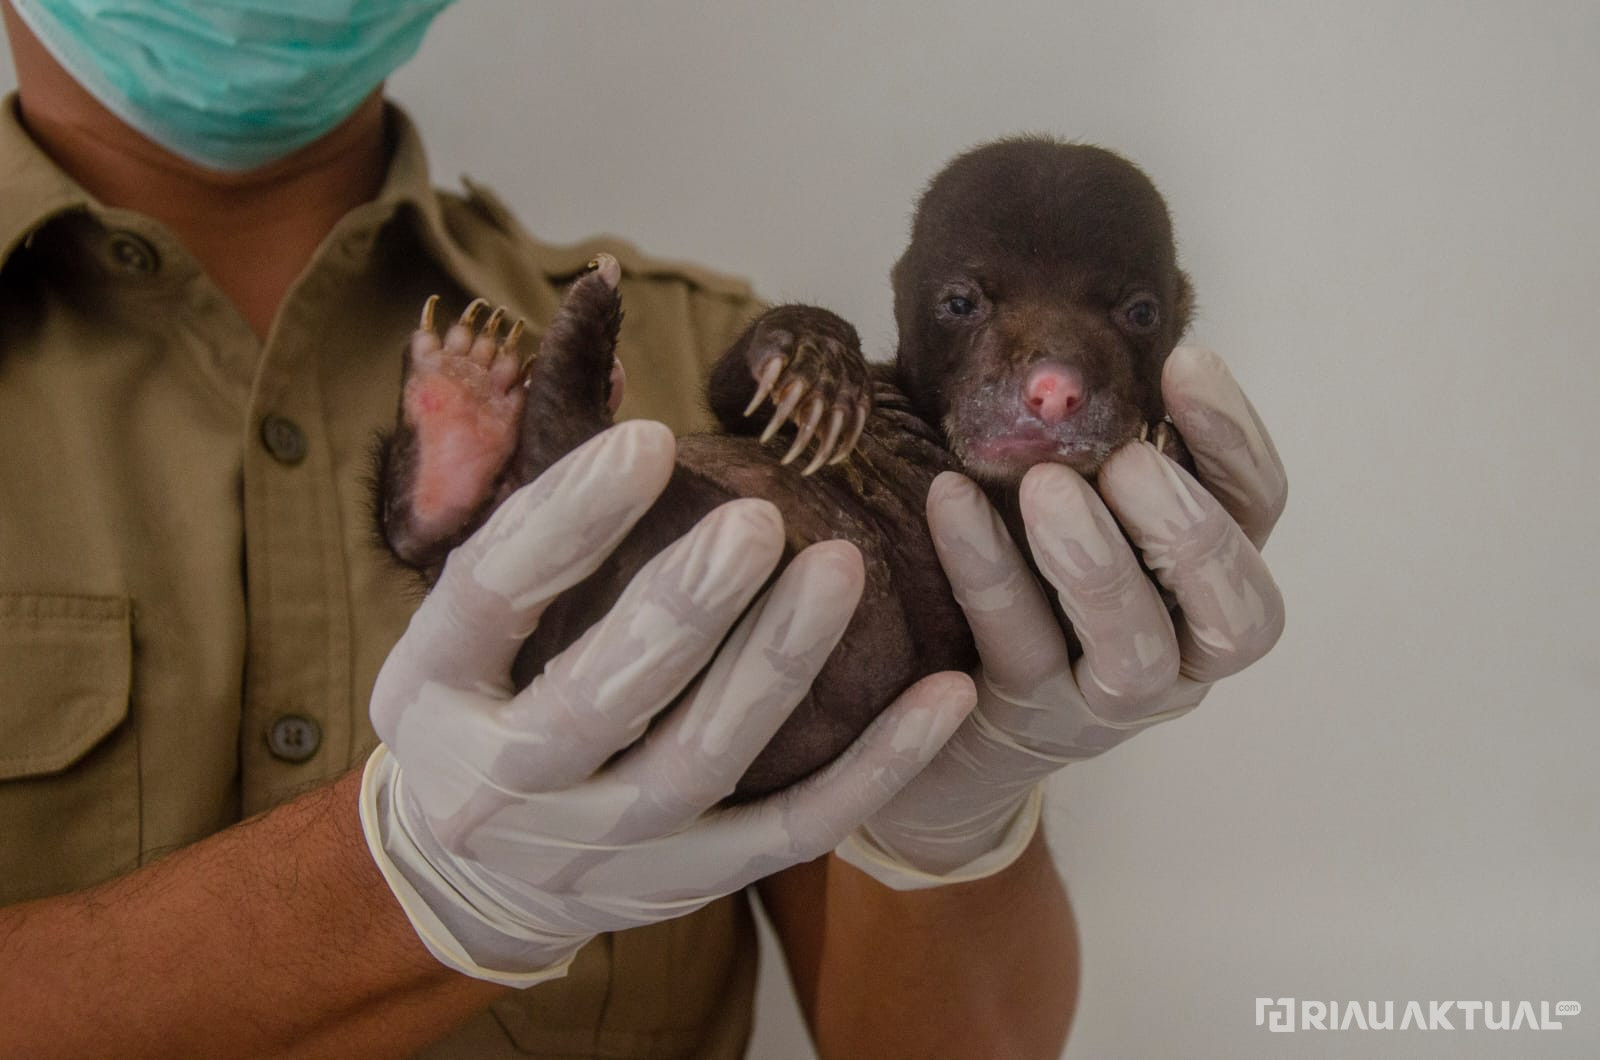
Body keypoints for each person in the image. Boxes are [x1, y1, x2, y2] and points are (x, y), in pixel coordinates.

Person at [0, 2, 1287, 1056]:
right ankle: (508, 484)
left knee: (647, 513)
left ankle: (514, 484)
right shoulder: (724, 362)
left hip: (771, 524)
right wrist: (402, 886)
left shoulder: (717, 348)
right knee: (607, 508)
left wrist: (951, 829)